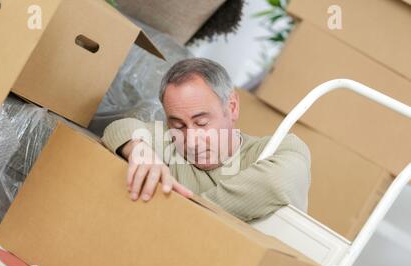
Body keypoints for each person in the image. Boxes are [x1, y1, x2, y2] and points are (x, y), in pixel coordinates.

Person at [102, 58, 311, 222]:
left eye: (201, 123)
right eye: (179, 125)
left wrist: (184, 210)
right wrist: (140, 152)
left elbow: (276, 181)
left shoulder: (279, 149)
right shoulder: (169, 143)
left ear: (232, 107)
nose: (191, 141)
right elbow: (120, 128)